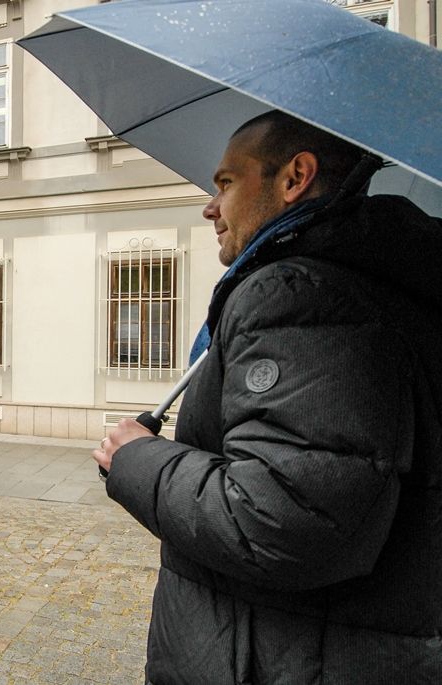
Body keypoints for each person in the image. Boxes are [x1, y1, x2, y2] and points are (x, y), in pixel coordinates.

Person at [93, 111, 442, 683]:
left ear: (294, 177)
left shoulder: (299, 294)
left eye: (226, 182)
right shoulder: (383, 281)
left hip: (283, 654)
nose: (211, 207)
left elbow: (280, 518)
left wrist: (136, 460)